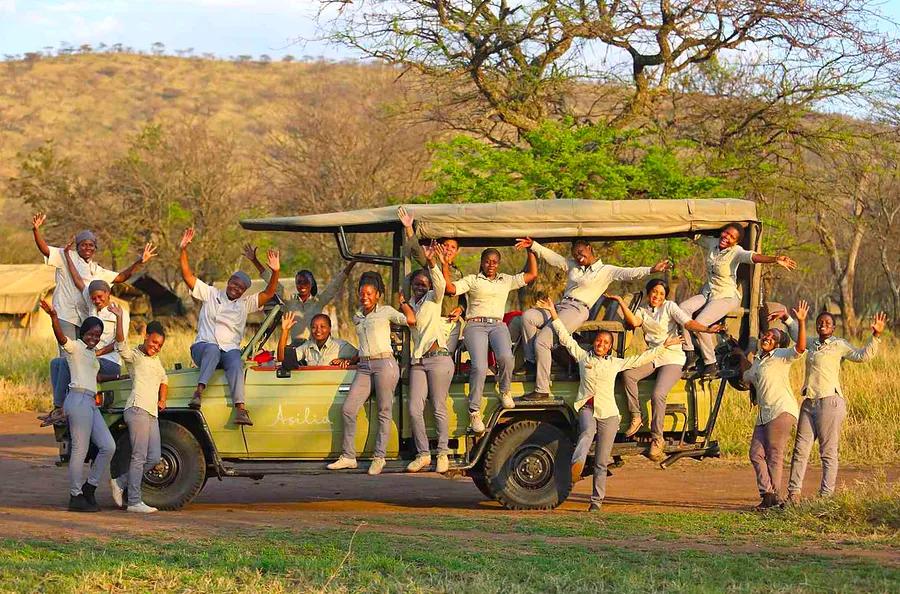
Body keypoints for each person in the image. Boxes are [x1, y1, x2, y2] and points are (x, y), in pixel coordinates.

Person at [534, 297, 683, 511]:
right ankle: (577, 465)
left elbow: (640, 359)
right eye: (598, 341)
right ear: (594, 342)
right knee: (586, 433)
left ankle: (596, 501)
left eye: (605, 343)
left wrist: (664, 346)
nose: (601, 344)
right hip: (587, 407)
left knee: (602, 461)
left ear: (610, 347)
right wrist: (553, 314)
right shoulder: (584, 357)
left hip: (609, 415)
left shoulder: (615, 363)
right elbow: (566, 338)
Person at [514, 237, 671, 401]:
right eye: (575, 254)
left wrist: (652, 269)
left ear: (589, 248)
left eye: (581, 252)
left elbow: (629, 273)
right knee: (528, 317)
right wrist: (533, 245)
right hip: (561, 306)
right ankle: (531, 363)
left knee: (543, 340)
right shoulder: (574, 266)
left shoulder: (606, 271)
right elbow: (553, 257)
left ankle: (542, 389)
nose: (578, 257)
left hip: (577, 310)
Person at [769, 309, 885, 503]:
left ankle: (825, 497)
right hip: (809, 402)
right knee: (800, 450)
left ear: (834, 327)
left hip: (829, 402)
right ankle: (793, 496)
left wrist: (876, 335)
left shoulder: (839, 345)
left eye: (827, 323)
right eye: (820, 322)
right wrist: (787, 318)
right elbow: (798, 334)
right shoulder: (812, 343)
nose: (823, 324)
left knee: (828, 452)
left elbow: (862, 356)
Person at [611, 280, 725, 461]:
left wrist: (706, 329)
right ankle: (636, 416)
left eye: (662, 294)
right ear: (648, 293)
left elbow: (687, 323)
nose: (657, 296)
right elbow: (633, 322)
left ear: (665, 296)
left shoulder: (670, 307)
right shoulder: (643, 310)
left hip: (672, 356)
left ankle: (657, 439)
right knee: (628, 374)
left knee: (658, 394)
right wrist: (620, 302)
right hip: (654, 354)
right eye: (654, 292)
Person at [179, 227, 281, 426]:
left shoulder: (244, 304)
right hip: (204, 348)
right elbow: (187, 276)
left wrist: (275, 271)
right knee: (212, 349)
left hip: (228, 351)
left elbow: (269, 293)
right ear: (228, 282)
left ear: (244, 291)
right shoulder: (211, 293)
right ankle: (198, 392)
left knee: (235, 360)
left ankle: (241, 409)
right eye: (233, 284)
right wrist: (183, 250)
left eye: (240, 288)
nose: (235, 289)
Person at [442, 244, 538, 433]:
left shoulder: (505, 280)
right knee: (479, 365)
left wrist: (530, 249)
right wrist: (445, 265)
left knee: (506, 358)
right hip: (475, 324)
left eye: (494, 262)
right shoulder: (472, 280)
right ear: (482, 263)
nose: (491, 265)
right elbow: (451, 288)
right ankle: (474, 411)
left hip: (497, 324)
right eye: (487, 261)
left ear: (499, 264)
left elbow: (532, 274)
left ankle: (505, 390)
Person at [327, 272, 416, 475]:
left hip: (385, 363)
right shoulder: (358, 316)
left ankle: (379, 457)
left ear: (377, 295)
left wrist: (403, 303)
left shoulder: (386, 311)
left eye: (369, 294)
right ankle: (349, 456)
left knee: (384, 411)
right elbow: (363, 346)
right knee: (348, 408)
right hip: (365, 366)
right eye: (362, 294)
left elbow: (410, 320)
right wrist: (352, 360)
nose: (364, 297)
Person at [681, 224, 797, 377]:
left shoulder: (736, 252)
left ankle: (710, 362)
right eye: (726, 233)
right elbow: (695, 236)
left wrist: (775, 259)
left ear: (736, 242)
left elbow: (753, 257)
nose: (726, 238)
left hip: (725, 296)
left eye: (731, 237)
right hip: (708, 292)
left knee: (700, 323)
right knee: (682, 309)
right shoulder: (713, 243)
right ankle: (689, 351)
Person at [42, 247, 134, 427]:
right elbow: (77, 280)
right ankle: (58, 406)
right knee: (56, 363)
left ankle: (60, 409)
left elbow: (119, 343)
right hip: (92, 358)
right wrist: (67, 256)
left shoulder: (118, 313)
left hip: (109, 362)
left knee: (69, 362)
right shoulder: (92, 305)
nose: (96, 300)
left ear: (108, 293)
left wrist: (97, 354)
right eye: (93, 298)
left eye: (100, 297)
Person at [31, 212, 155, 345]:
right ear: (77, 246)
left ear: (95, 248)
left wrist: (140, 262)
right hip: (65, 313)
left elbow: (121, 277)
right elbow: (45, 250)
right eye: (83, 244)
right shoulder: (65, 254)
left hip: (85, 318)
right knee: (67, 350)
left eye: (91, 245)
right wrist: (36, 230)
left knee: (83, 353)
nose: (87, 248)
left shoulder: (97, 270)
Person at [39, 300, 115, 512]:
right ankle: (75, 496)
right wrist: (54, 317)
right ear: (83, 333)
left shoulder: (91, 353)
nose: (94, 338)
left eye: (97, 335)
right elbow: (61, 337)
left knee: (108, 446)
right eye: (90, 333)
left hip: (90, 401)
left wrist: (122, 375)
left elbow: (97, 376)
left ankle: (89, 487)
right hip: (77, 399)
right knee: (79, 450)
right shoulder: (75, 347)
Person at [742, 300, 809, 510]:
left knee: (774, 454)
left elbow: (800, 348)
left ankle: (776, 498)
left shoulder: (781, 356)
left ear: (779, 344)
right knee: (755, 453)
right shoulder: (759, 362)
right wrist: (739, 354)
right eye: (767, 335)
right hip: (764, 414)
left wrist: (799, 321)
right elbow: (746, 377)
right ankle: (768, 493)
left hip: (781, 410)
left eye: (774, 337)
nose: (768, 337)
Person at [107, 305, 168, 514]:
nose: (156, 347)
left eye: (159, 345)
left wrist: (162, 399)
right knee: (139, 456)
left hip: (152, 413)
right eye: (153, 342)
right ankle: (134, 501)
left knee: (154, 458)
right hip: (137, 409)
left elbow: (164, 379)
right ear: (145, 336)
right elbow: (120, 344)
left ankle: (120, 482)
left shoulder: (156, 360)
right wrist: (119, 318)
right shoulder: (134, 356)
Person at [245, 243, 355, 346]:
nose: (302, 285)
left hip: (313, 347)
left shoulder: (318, 301)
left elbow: (335, 285)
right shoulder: (290, 299)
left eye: (306, 282)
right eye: (299, 282)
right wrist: (255, 261)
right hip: (295, 347)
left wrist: (352, 263)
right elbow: (271, 282)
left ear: (311, 284)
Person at [405, 244, 454, 474]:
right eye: (416, 284)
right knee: (415, 408)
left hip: (438, 358)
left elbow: (441, 283)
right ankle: (423, 453)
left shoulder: (435, 298)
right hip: (418, 361)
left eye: (423, 284)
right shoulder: (411, 305)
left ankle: (442, 452)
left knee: (437, 406)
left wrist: (432, 262)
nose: (420, 287)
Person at [398, 207, 466, 354]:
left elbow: (462, 298)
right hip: (433, 321)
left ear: (457, 251)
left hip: (451, 322)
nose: (448, 249)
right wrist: (409, 227)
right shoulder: (431, 264)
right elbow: (416, 250)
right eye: (446, 245)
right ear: (440, 247)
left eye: (453, 247)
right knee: (432, 356)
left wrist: (460, 309)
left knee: (447, 358)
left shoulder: (458, 273)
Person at [277, 311, 358, 368]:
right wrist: (285, 331)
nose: (318, 330)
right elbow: (282, 358)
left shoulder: (341, 345)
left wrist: (348, 361)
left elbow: (361, 357)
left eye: (322, 327)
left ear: (329, 328)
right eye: (314, 327)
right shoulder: (307, 346)